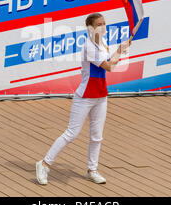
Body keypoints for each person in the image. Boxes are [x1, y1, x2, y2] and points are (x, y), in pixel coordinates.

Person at [36, 12, 131, 185]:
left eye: (104, 23)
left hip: (101, 96)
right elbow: (109, 67)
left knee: (97, 136)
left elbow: (109, 61)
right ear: (90, 28)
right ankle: (44, 164)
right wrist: (120, 50)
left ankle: (91, 170)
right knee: (71, 134)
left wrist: (119, 49)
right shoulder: (88, 47)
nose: (104, 27)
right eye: (99, 24)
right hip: (85, 97)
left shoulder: (102, 43)